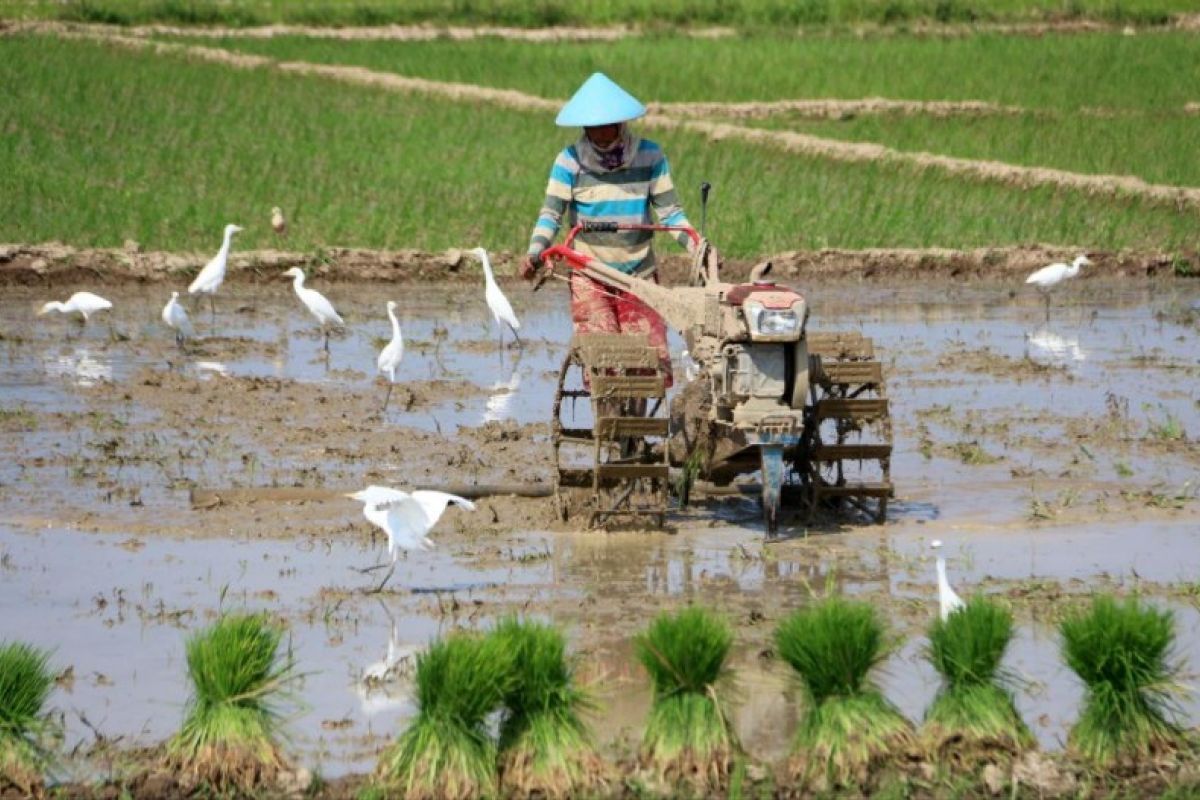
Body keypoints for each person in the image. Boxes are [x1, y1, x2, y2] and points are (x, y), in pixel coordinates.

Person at [521, 72, 695, 386]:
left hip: (638, 272)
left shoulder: (649, 156)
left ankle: (636, 427)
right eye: (592, 127)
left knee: (647, 361)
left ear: (621, 123)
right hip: (590, 271)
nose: (600, 133)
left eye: (606, 125)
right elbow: (551, 215)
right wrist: (535, 250)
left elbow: (670, 214)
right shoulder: (569, 162)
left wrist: (698, 248)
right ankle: (609, 420)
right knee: (603, 358)